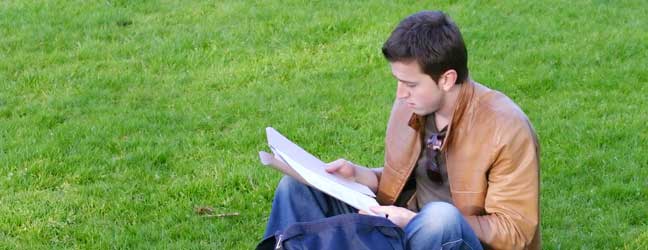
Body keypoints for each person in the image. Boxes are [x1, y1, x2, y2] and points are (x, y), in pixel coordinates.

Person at [261, 10, 540, 250]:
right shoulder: (416, 105)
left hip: (452, 237)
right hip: (406, 223)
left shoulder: (505, 128)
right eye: (398, 81)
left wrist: (414, 221)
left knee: (439, 219)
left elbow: (514, 233)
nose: (401, 93)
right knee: (296, 188)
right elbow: (414, 180)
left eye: (411, 84)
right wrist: (361, 175)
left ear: (446, 79)